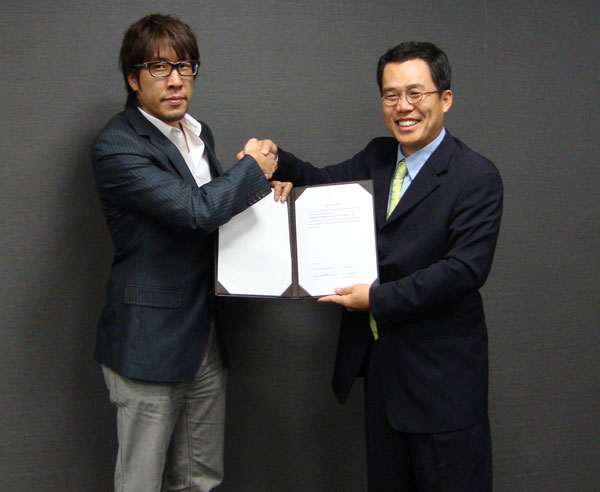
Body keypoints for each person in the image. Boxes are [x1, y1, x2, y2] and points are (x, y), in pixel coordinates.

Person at [259, 42, 503, 491]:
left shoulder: (476, 176)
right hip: (383, 378)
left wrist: (375, 299)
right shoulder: (377, 156)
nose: (403, 107)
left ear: (445, 98)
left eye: (416, 93)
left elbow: (463, 271)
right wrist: (277, 161)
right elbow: (322, 182)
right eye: (391, 95)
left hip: (443, 386)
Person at [92, 13, 281, 492]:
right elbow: (196, 210)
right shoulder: (117, 145)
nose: (176, 80)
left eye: (185, 66)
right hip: (148, 345)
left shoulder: (199, 134)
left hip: (206, 338)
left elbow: (217, 211)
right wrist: (252, 172)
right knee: (140, 483)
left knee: (201, 480)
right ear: (133, 79)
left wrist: (265, 190)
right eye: (159, 68)